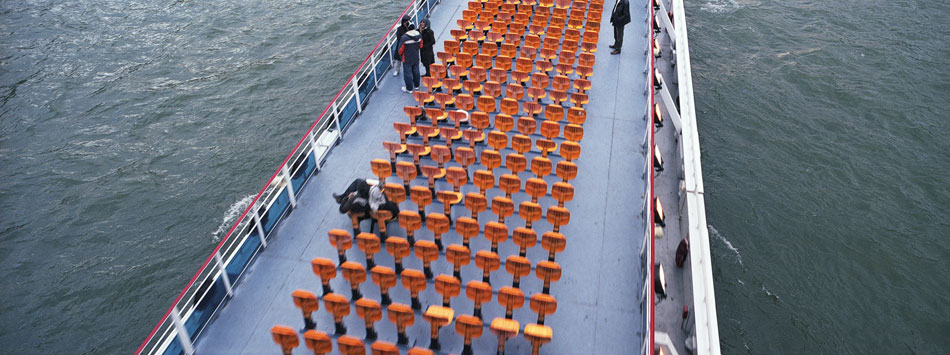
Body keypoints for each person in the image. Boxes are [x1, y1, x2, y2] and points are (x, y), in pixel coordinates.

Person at [333, 178, 399, 216]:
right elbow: (391, 206)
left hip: (364, 203)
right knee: (360, 181)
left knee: (358, 181)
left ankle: (341, 198)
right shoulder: (376, 194)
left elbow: (342, 210)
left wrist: (347, 198)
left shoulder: (355, 198)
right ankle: (341, 198)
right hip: (370, 201)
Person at [398, 26, 423, 93]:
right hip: (415, 56)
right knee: (416, 70)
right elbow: (421, 46)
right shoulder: (419, 35)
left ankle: (409, 89)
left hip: (407, 58)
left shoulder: (404, 38)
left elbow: (400, 50)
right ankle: (417, 85)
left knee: (407, 73)